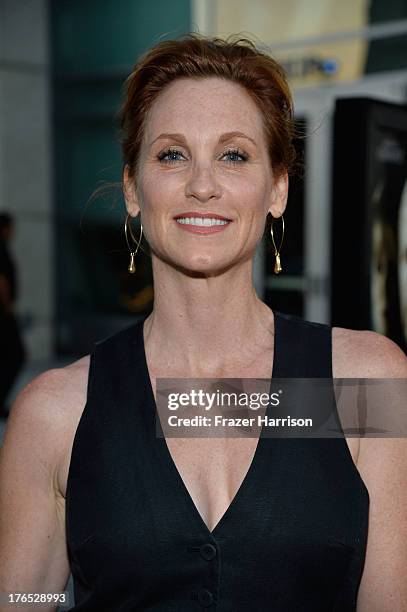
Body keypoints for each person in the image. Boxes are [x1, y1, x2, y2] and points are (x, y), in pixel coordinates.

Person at [0, 33, 406, 612]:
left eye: (234, 154)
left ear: (279, 188)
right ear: (133, 188)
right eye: (172, 154)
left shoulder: (363, 386)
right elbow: (22, 599)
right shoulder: (55, 413)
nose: (202, 184)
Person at [0, 212, 25, 419]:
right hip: (3, 315)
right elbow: (2, 281)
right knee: (15, 355)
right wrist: (8, 308)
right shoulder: (1, 249)